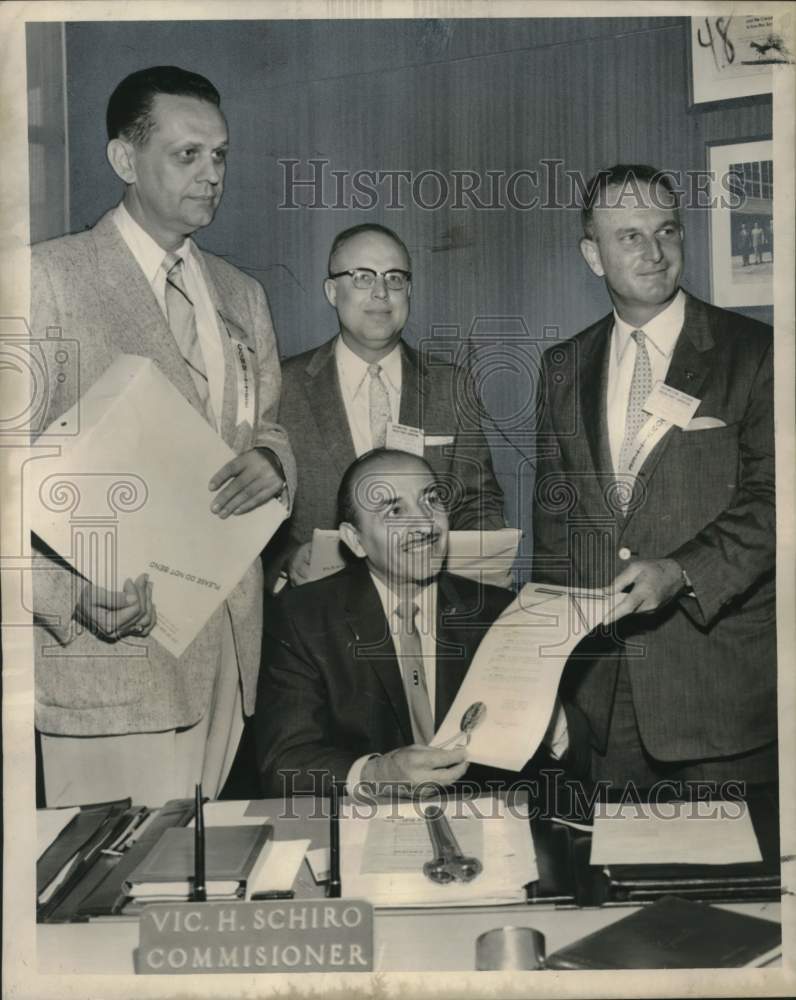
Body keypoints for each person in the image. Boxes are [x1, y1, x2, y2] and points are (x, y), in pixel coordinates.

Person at [31, 66, 296, 806]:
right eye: (188, 155)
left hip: (226, 651)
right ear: (124, 159)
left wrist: (275, 460)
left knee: (198, 890)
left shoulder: (242, 293)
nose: (212, 175)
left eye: (220, 156)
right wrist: (65, 592)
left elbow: (264, 423)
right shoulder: (46, 280)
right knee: (111, 898)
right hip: (106, 655)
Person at [533, 164, 775, 791]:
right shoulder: (562, 367)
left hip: (720, 695)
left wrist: (683, 570)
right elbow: (556, 533)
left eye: (667, 229)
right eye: (630, 235)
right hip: (602, 703)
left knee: (730, 884)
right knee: (616, 881)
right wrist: (543, 678)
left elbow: (779, 498)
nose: (655, 250)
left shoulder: (756, 352)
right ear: (593, 255)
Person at [256, 449, 580, 797]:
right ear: (355, 539)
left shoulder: (501, 612)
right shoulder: (303, 617)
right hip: (363, 825)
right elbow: (283, 763)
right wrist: (375, 774)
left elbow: (573, 754)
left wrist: (553, 724)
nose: (425, 525)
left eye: (432, 500)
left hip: (482, 822)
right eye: (394, 511)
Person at [273, 223, 506, 587]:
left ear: (409, 290)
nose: (381, 292)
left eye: (394, 278)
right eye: (363, 277)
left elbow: (478, 501)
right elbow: (257, 514)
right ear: (333, 291)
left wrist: (475, 574)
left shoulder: (451, 384)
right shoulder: (283, 386)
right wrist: (287, 560)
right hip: (318, 613)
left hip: (428, 607)